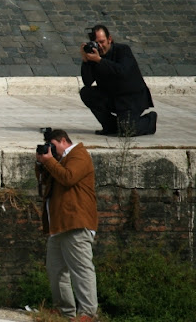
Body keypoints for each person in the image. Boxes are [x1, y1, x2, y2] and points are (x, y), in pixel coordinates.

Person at [35, 129, 98, 320]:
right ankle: (64, 310)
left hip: (76, 222)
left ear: (64, 141)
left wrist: (50, 161)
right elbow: (46, 182)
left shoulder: (80, 155)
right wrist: (41, 163)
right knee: (55, 269)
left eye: (53, 146)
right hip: (59, 223)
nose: (52, 151)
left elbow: (68, 178)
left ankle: (88, 313)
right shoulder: (59, 161)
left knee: (81, 269)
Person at [80, 24, 157, 137]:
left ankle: (150, 120)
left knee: (127, 130)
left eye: (102, 42)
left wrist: (100, 60)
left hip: (131, 99)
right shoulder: (94, 56)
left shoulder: (123, 50)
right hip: (112, 96)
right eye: (97, 43)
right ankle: (110, 126)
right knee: (86, 93)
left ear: (109, 39)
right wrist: (86, 60)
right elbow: (87, 82)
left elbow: (122, 71)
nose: (100, 46)